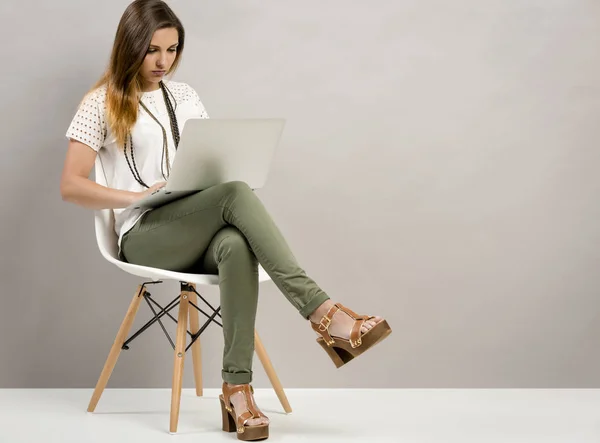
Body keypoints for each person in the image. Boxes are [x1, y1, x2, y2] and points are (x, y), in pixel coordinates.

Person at [60, 0, 391, 440]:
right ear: (130, 47)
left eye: (173, 49)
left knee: (234, 242)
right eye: (152, 50)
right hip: (143, 235)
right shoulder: (100, 102)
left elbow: (209, 162)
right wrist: (136, 196)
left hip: (192, 220)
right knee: (236, 193)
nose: (164, 62)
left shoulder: (186, 96)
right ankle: (325, 314)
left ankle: (238, 390)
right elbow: (71, 185)